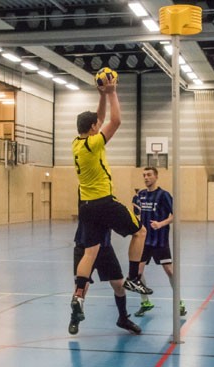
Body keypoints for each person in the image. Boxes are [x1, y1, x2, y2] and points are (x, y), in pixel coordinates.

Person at [70, 77, 150, 332]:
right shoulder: (94, 144)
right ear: (93, 128)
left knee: (90, 251)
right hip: (105, 202)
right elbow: (114, 121)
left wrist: (102, 95)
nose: (99, 125)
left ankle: (78, 295)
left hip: (87, 206)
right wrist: (113, 92)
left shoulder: (77, 143)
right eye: (97, 124)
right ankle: (135, 278)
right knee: (140, 231)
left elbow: (101, 119)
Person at [134, 167, 186, 317]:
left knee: (169, 271)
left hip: (160, 240)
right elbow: (138, 214)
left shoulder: (164, 195)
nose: (146, 178)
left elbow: (175, 215)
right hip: (144, 240)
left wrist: (161, 224)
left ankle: (179, 301)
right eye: (144, 175)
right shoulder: (141, 195)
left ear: (156, 177)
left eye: (149, 175)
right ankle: (145, 302)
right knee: (137, 273)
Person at [70, 226, 141, 335]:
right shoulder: (86, 209)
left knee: (119, 285)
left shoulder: (110, 209)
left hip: (104, 248)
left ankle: (123, 318)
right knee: (81, 287)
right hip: (84, 247)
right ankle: (75, 318)